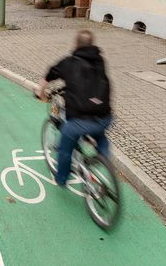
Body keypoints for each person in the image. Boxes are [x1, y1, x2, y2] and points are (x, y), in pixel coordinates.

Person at [36, 29, 112, 187]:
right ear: (91, 45)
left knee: (65, 148)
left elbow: (49, 75)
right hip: (104, 117)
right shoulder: (100, 61)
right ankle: (103, 158)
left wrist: (40, 92)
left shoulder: (69, 62)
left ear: (75, 44)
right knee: (99, 134)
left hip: (79, 121)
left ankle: (61, 179)